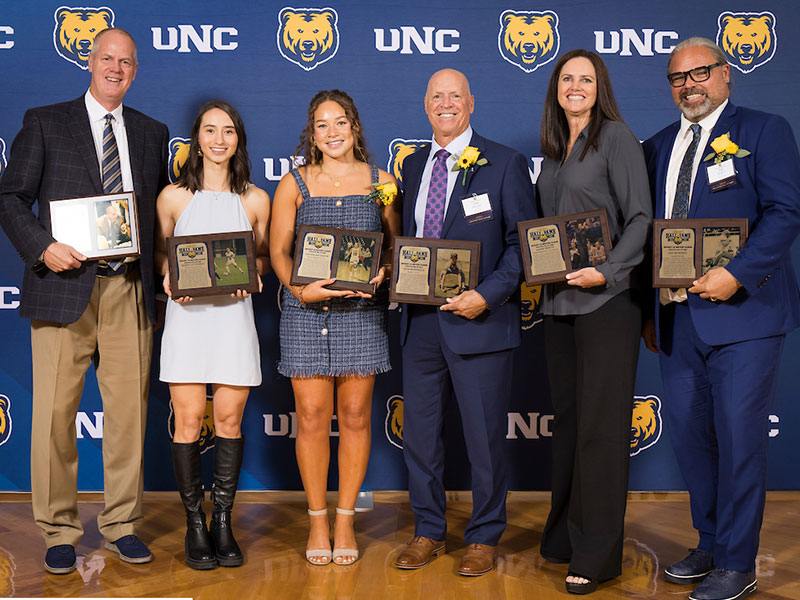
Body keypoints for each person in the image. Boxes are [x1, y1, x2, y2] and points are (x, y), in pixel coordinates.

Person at [0, 28, 168, 573]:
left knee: (128, 416)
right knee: (54, 413)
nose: (116, 69)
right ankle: (58, 528)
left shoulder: (150, 132)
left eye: (126, 62)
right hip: (62, 288)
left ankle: (121, 524)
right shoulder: (46, 121)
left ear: (136, 71)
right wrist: (42, 247)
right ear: (88, 63)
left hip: (128, 289)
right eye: (107, 59)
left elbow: (157, 221)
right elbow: (10, 197)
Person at [642, 37, 800, 600]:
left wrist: (738, 271)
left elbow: (786, 212)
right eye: (678, 78)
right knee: (691, 441)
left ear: (726, 74)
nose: (690, 85)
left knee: (738, 441)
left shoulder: (763, 130)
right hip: (678, 320)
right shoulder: (658, 145)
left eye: (701, 73)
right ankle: (710, 542)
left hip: (745, 316)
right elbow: (648, 235)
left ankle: (738, 561)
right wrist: (646, 309)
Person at [394, 68, 535, 576]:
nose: (446, 104)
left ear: (471, 103)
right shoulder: (411, 167)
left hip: (481, 322)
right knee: (421, 440)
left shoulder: (506, 163)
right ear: (425, 104)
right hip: (420, 326)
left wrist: (488, 295)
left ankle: (483, 535)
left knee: (484, 441)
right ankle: (428, 530)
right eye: (437, 96)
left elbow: (524, 245)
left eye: (455, 95)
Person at [535, 49, 651, 594]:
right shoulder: (555, 151)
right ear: (556, 88)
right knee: (570, 428)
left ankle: (598, 553)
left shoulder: (617, 139)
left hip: (606, 304)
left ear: (598, 86)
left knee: (601, 432)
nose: (575, 87)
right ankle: (564, 538)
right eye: (567, 79)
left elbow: (640, 219)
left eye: (585, 79)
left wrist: (607, 272)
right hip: (560, 305)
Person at [270, 89, 401, 566]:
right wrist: (300, 291)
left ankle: (346, 518)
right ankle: (317, 520)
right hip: (306, 315)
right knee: (309, 418)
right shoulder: (294, 183)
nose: (332, 133)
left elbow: (394, 245)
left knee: (356, 417)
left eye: (340, 122)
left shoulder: (381, 181)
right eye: (322, 125)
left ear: (355, 126)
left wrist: (386, 271)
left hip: (361, 315)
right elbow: (280, 252)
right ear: (312, 132)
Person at [156, 100, 270, 570]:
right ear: (195, 138)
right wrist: (167, 277)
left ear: (238, 138)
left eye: (227, 131)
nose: (218, 139)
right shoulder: (172, 198)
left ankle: (222, 520)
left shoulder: (256, 200)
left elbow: (261, 260)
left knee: (228, 422)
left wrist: (256, 275)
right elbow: (165, 257)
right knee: (187, 423)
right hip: (187, 322)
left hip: (232, 320)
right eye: (209, 130)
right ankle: (194, 524)